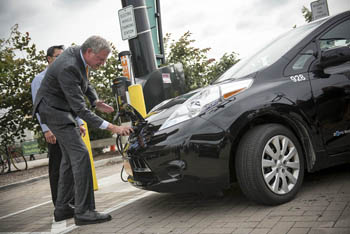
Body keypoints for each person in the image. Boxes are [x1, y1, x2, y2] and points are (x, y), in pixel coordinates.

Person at [32, 36, 133, 226]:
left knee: (70, 159)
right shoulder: (68, 66)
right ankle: (84, 211)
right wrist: (113, 127)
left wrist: (95, 100)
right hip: (53, 112)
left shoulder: (79, 55)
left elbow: (86, 84)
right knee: (81, 155)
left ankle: (62, 208)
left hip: (59, 110)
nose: (102, 64)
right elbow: (80, 110)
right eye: (100, 60)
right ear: (89, 52)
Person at [31, 45, 86, 208]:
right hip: (54, 128)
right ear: (49, 59)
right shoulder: (39, 79)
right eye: (58, 57)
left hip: (70, 125)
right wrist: (46, 129)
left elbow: (72, 100)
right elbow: (38, 105)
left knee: (71, 163)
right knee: (57, 166)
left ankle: (73, 200)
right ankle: (60, 203)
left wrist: (80, 122)